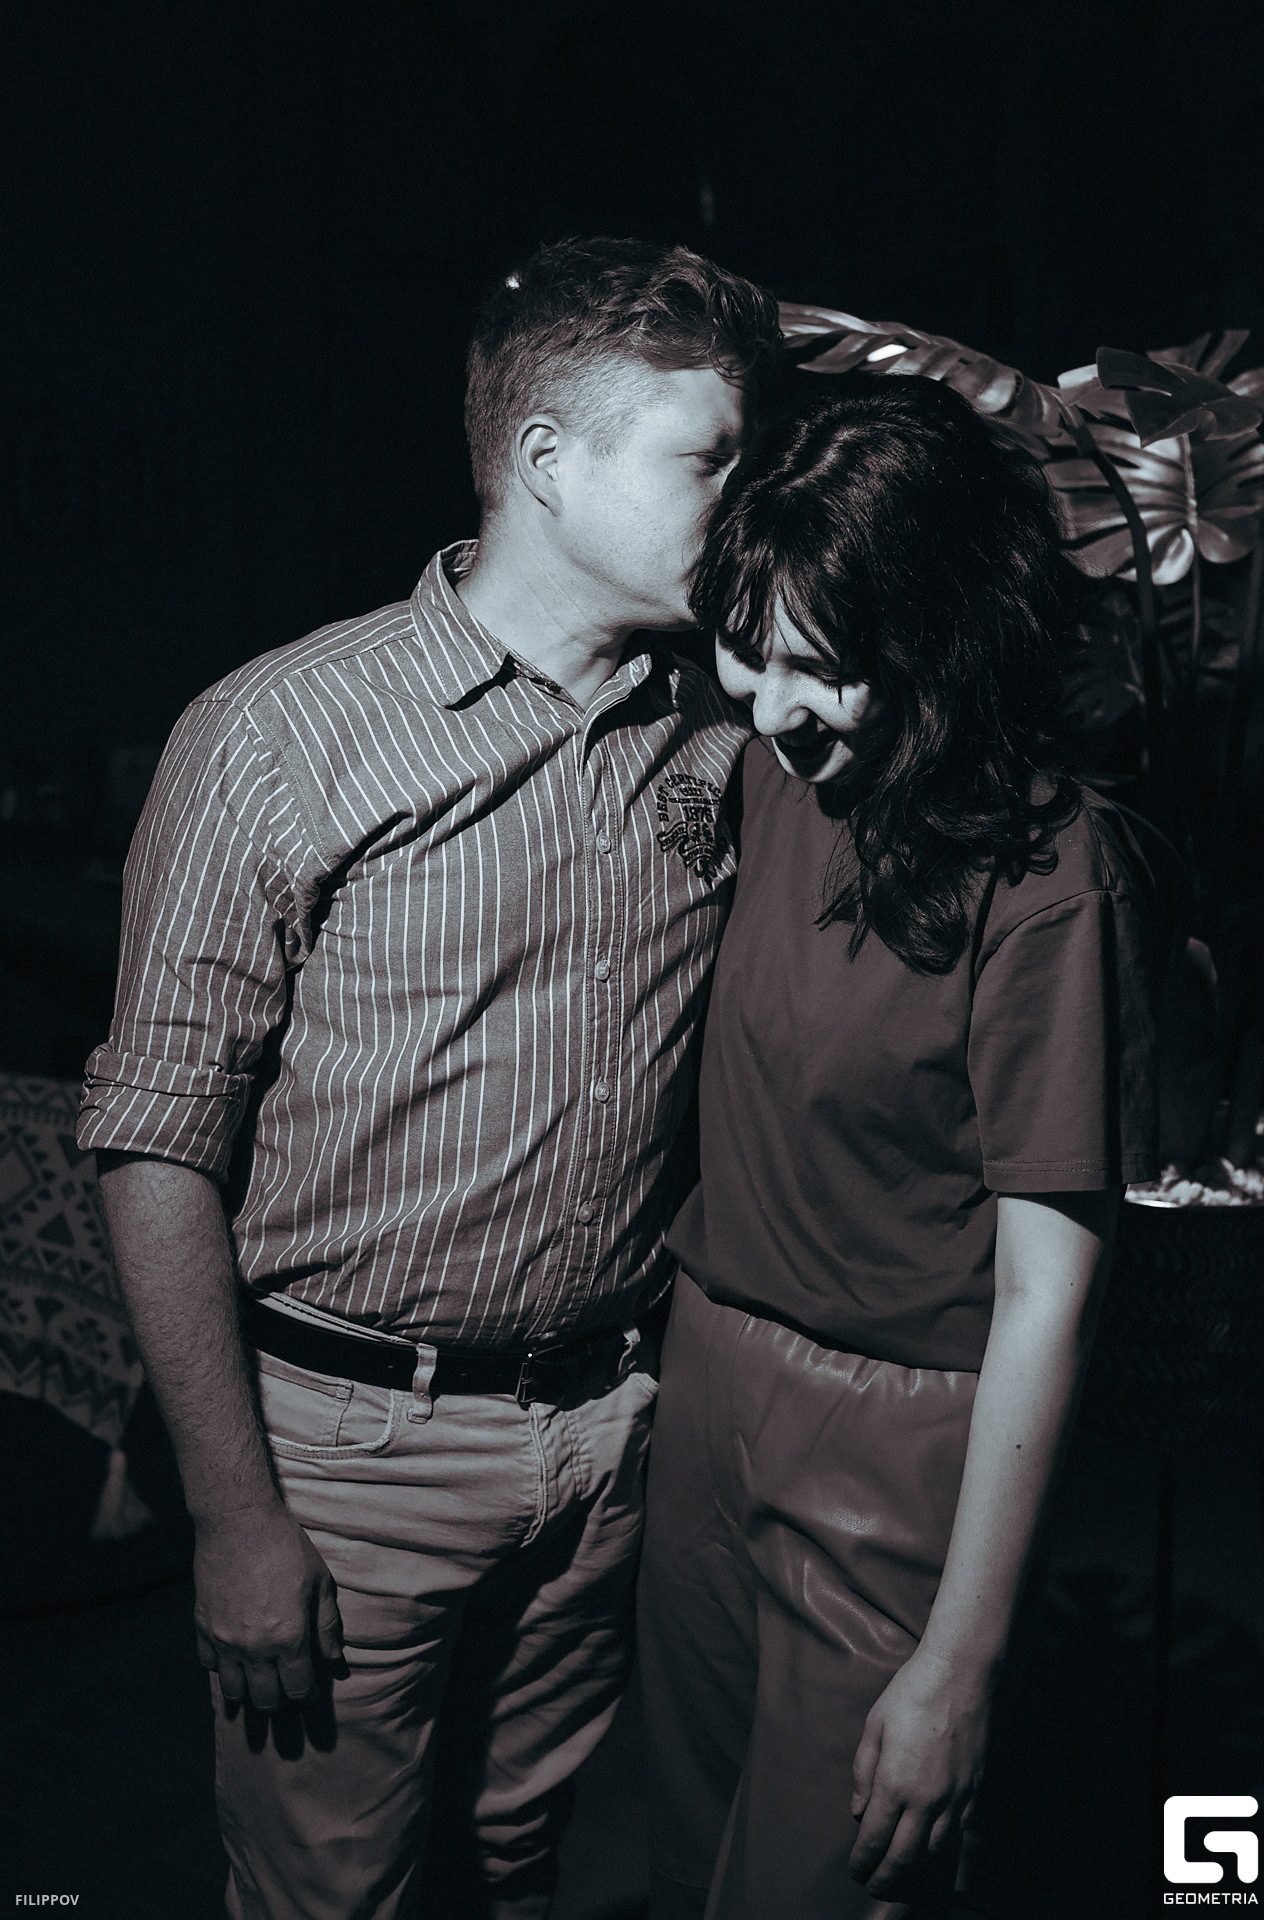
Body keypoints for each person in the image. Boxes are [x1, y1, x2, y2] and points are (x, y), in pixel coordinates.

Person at [76, 236, 779, 1920]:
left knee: (512, 1867)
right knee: (332, 1893)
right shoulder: (276, 734)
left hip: (607, 1431)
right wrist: (237, 1519)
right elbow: (154, 1144)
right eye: (708, 460)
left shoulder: (721, 724)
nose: (744, 503)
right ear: (547, 460)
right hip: (346, 1453)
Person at [636, 374, 1160, 1920]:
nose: (770, 706)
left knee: (823, 1882)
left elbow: (1047, 1298)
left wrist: (958, 1663)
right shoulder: (767, 774)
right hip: (705, 1372)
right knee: (687, 1864)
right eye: (749, 648)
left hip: (899, 1433)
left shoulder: (1050, 877)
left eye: (825, 667)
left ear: (940, 641)